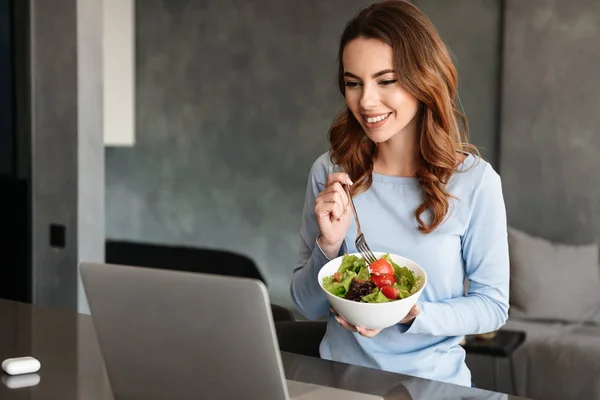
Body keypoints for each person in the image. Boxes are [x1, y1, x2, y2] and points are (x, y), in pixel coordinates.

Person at [289, 0, 509, 388]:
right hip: (337, 386)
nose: (366, 101)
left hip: (434, 387)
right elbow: (306, 306)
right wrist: (328, 243)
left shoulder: (475, 182)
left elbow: (492, 306)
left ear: (424, 79)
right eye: (354, 83)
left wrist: (409, 312)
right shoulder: (330, 172)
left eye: (386, 80)